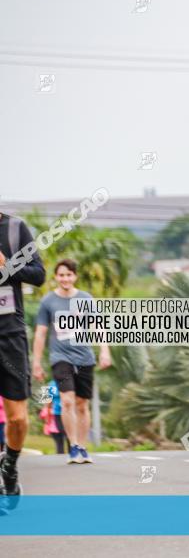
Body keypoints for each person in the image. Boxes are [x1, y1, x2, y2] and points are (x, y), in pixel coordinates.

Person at [32, 259, 111, 465]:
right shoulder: (48, 302)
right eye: (61, 275)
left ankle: (83, 447)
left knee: (82, 404)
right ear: (56, 277)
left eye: (69, 275)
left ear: (74, 276)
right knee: (67, 401)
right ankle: (73, 446)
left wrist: (104, 351)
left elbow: (98, 327)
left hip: (84, 357)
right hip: (60, 358)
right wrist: (37, 363)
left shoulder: (86, 299)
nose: (65, 278)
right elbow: (41, 334)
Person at [0, 212, 46, 497]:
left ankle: (10, 466)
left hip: (9, 334)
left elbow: (39, 275)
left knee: (18, 418)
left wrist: (7, 264)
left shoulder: (15, 228)